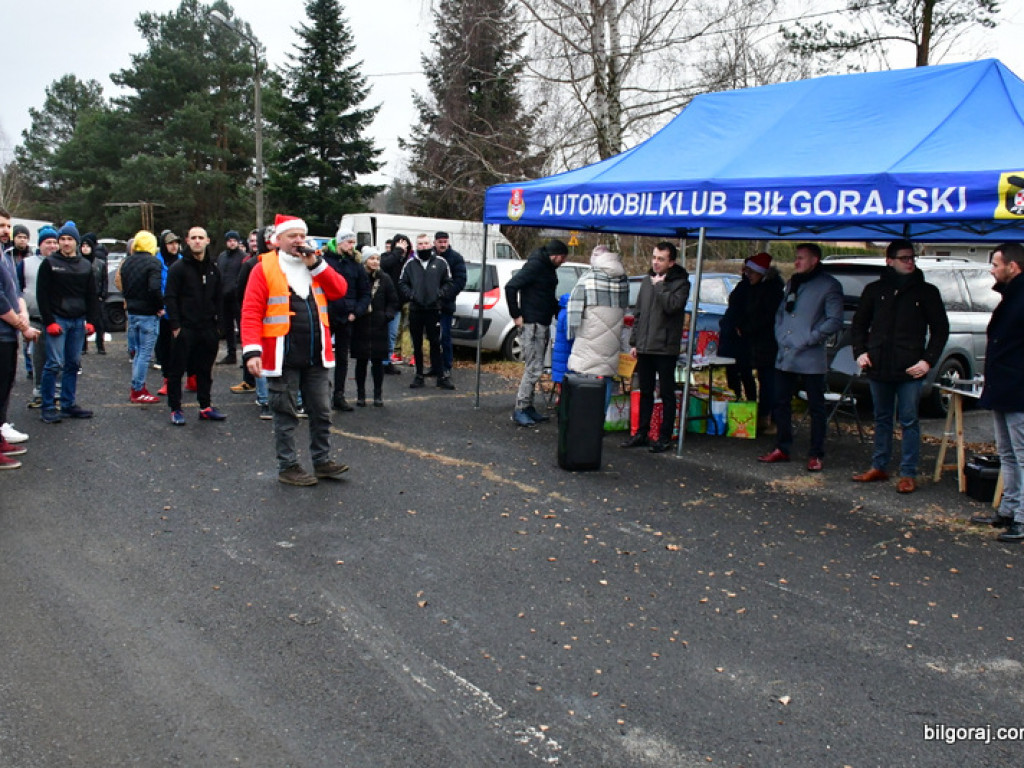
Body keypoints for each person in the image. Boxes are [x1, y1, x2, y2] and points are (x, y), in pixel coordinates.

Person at [241, 214, 349, 486]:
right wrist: (252, 351)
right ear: (278, 240)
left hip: (316, 353)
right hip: (282, 355)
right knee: (285, 414)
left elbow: (339, 290)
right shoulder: (262, 267)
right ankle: (288, 466)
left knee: (322, 412)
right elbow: (251, 311)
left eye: (302, 235)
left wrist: (316, 265)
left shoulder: (316, 265)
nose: (299, 241)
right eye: (293, 236)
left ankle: (322, 461)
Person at [849, 240, 949, 493]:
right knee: (882, 418)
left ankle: (908, 472)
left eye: (911, 257)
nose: (910, 261)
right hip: (879, 365)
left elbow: (940, 329)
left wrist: (927, 361)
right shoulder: (875, 290)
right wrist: (860, 352)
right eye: (904, 258)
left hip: (910, 368)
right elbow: (859, 324)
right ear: (889, 261)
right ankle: (879, 465)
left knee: (909, 420)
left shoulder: (926, 292)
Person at [758, 242, 843, 471]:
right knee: (780, 402)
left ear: (814, 260)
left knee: (816, 406)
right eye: (796, 258)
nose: (796, 262)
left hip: (810, 357)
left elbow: (835, 320)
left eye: (801, 258)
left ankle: (816, 453)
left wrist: (810, 338)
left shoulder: (829, 285)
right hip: (785, 354)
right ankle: (782, 447)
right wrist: (780, 335)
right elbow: (780, 314)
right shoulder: (792, 283)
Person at [972, 243, 1024, 540]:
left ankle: (1021, 517)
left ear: (1012, 267)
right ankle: (1009, 509)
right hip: (1003, 389)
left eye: (995, 264)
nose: (992, 270)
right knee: (1006, 453)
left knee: (1021, 454)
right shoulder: (1009, 298)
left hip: (1017, 390)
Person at [622, 241, 690, 453]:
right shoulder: (646, 281)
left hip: (665, 347)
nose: (656, 262)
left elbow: (673, 307)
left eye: (661, 259)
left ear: (671, 262)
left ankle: (665, 436)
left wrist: (660, 286)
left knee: (667, 393)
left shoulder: (681, 283)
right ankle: (641, 433)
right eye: (654, 257)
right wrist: (634, 342)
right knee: (645, 391)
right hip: (645, 345)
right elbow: (639, 313)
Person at [35, 221, 101, 424]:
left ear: (77, 242)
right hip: (58, 319)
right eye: (61, 239)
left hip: (78, 320)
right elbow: (42, 295)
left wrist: (92, 321)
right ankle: (47, 406)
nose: (65, 243)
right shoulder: (49, 264)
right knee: (54, 364)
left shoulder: (85, 265)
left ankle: (68, 404)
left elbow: (92, 295)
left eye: (69, 239)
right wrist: (49, 321)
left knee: (73, 364)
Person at [718, 252, 785, 432]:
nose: (748, 275)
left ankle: (767, 416)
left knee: (767, 380)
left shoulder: (773, 290)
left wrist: (746, 327)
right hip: (745, 341)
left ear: (762, 273)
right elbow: (735, 306)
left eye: (752, 272)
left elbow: (767, 316)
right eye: (747, 271)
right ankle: (745, 406)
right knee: (741, 373)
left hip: (766, 342)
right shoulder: (746, 286)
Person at [164, 227, 224, 425]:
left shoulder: (214, 269)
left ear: (207, 240)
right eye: (194, 238)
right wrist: (175, 326)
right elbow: (170, 297)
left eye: (201, 238)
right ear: (187, 241)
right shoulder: (178, 268)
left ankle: (205, 407)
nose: (197, 241)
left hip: (208, 328)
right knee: (177, 370)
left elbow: (220, 298)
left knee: (205, 370)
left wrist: (219, 327)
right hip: (185, 328)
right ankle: (175, 408)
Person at [505, 238, 569, 426]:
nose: (563, 262)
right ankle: (520, 408)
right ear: (555, 255)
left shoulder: (547, 268)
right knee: (533, 368)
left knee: (536, 366)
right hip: (532, 324)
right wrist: (516, 315)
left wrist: (559, 311)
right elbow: (510, 286)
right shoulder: (535, 266)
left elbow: (546, 296)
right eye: (563, 258)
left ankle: (529, 407)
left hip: (542, 322)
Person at [566, 244, 629, 407]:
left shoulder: (589, 278)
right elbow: (625, 307)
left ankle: (584, 416)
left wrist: (571, 332)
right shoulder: (623, 278)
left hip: (589, 335)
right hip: (611, 340)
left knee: (584, 376)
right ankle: (600, 417)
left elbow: (574, 311)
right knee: (606, 376)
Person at [0, 209, 39, 466]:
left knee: (5, 387)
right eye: (1, 225)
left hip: (8, 332)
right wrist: (20, 324)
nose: (6, 230)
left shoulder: (4, 256)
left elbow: (14, 290)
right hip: (2, 332)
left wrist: (22, 312)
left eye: (7, 226)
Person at [398, 233, 455, 390]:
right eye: (420, 244)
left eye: (425, 243)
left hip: (433, 309)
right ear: (416, 246)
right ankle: (419, 375)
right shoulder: (410, 264)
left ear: (431, 245)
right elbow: (402, 282)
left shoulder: (441, 262)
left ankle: (440, 376)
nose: (423, 246)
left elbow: (449, 282)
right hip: (416, 309)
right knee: (416, 343)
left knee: (436, 343)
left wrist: (439, 294)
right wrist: (411, 295)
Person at [324, 227, 371, 411]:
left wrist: (356, 312)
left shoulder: (356, 265)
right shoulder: (326, 261)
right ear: (339, 242)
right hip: (327, 315)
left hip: (347, 316)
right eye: (349, 242)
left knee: (342, 358)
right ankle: (320, 393)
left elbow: (365, 292)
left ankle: (339, 395)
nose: (352, 246)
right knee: (321, 357)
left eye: (353, 242)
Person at [120, 230, 166, 404]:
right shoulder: (153, 263)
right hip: (147, 313)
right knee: (145, 354)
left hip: (132, 312)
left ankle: (138, 386)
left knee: (138, 352)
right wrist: (160, 306)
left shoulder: (127, 262)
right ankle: (138, 389)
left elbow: (124, 286)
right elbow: (154, 288)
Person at [350, 245, 399, 407]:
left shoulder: (385, 279)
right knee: (361, 362)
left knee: (378, 362)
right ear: (365, 260)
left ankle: (378, 394)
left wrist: (387, 316)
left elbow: (393, 300)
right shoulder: (359, 277)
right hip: (361, 324)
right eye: (371, 258)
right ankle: (361, 395)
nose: (375, 262)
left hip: (379, 325)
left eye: (377, 259)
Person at [19, 226, 57, 409]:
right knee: (38, 358)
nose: (52, 246)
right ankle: (39, 393)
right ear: (40, 244)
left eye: (54, 242)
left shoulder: (61, 263)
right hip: (34, 318)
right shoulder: (26, 263)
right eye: (48, 242)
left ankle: (56, 394)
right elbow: (17, 289)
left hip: (57, 319)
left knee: (58, 359)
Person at [433, 231, 467, 378]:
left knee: (445, 337)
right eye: (440, 241)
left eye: (445, 241)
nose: (442, 244)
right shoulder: (430, 256)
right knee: (433, 338)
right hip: (429, 305)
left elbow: (460, 281)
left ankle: (447, 366)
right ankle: (435, 366)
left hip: (446, 305)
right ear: (435, 242)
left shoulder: (456, 258)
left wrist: (445, 295)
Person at [380, 233, 411, 371]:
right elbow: (385, 265)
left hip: (399, 304)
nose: (402, 246)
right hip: (383, 303)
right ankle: (380, 361)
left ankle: (387, 361)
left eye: (404, 243)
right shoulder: (387, 257)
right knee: (382, 333)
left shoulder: (409, 262)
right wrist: (397, 252)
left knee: (392, 334)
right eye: (399, 243)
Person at [216, 230, 246, 365]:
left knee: (243, 327)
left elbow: (244, 278)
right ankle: (231, 354)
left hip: (238, 298)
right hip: (223, 298)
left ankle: (247, 356)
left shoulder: (243, 257)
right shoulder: (222, 256)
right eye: (229, 240)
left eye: (234, 240)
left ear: (238, 242)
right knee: (227, 327)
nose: (232, 243)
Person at [79, 233, 108, 354]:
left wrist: (102, 295)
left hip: (96, 297)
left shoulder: (100, 263)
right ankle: (83, 347)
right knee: (82, 323)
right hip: (81, 297)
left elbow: (104, 280)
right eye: (83, 246)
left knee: (99, 323)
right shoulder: (78, 263)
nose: (85, 248)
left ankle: (100, 346)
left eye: (88, 246)